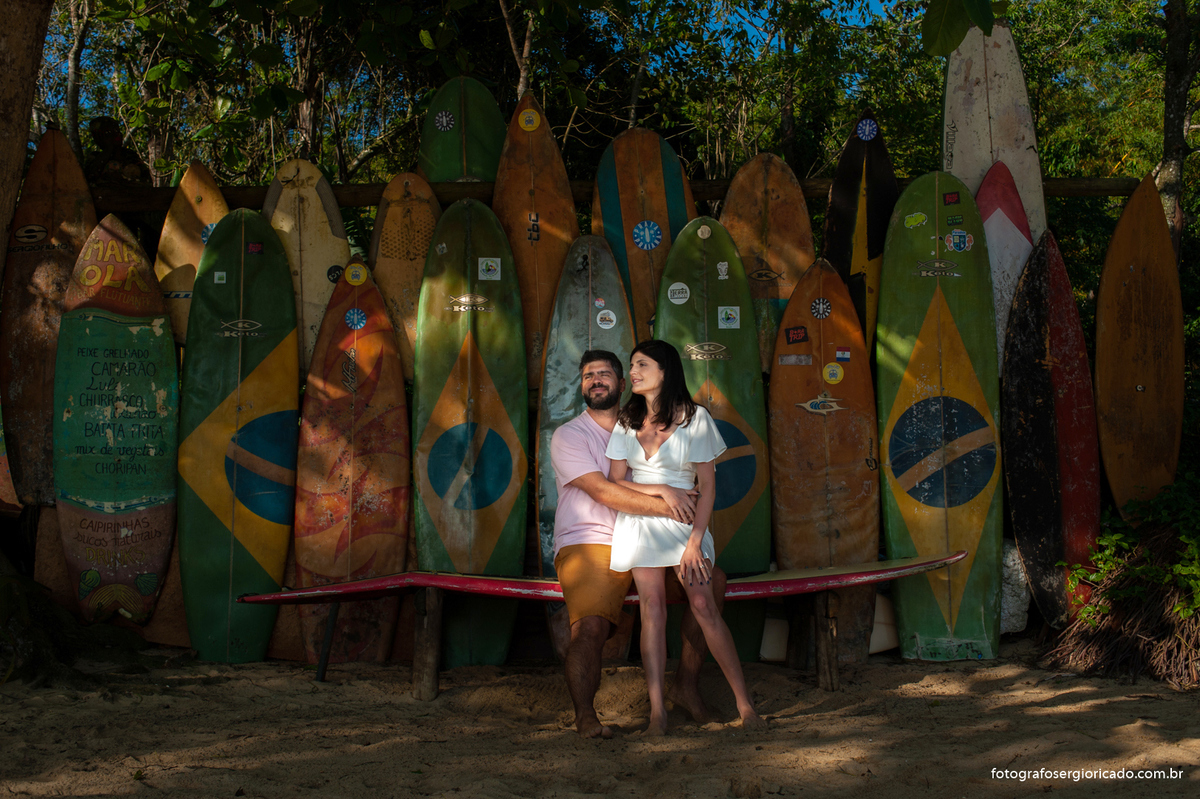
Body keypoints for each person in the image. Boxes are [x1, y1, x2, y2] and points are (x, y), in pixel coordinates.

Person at [549, 349, 727, 738]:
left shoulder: (642, 424)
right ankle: (586, 718)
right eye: (587, 376)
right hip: (591, 542)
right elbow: (604, 491)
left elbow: (693, 481)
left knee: (710, 585)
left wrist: (681, 505)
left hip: (647, 539)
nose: (595, 380)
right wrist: (670, 505)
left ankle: (685, 685)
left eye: (605, 374)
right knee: (591, 626)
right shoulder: (568, 435)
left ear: (623, 383)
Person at [605, 340, 765, 735]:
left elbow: (707, 487)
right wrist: (660, 488)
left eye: (642, 365)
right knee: (652, 609)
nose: (634, 372)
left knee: (702, 604)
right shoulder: (627, 419)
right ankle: (658, 711)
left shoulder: (695, 418)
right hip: (640, 521)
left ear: (665, 370)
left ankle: (745, 705)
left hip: (685, 524)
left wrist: (696, 541)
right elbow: (616, 481)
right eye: (632, 365)